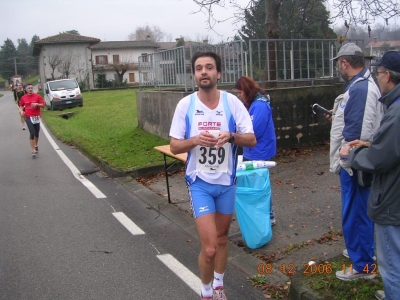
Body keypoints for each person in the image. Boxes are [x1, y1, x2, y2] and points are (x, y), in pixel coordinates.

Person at [169, 51, 256, 300]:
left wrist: (231, 136)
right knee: (209, 248)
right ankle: (206, 291)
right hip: (200, 183)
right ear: (195, 75)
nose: (203, 72)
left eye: (209, 67)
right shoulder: (186, 105)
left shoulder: (232, 103)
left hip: (227, 182)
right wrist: (195, 140)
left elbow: (251, 139)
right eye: (199, 68)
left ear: (219, 73)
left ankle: (219, 283)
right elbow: (175, 146)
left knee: (221, 238)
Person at [339, 50, 400, 300]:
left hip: (390, 196)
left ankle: (366, 266)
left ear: (387, 75)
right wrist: (370, 145)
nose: (378, 77)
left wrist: (351, 155)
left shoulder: (392, 110)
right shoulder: (390, 104)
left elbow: (380, 157)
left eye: (380, 73)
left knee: (391, 261)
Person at [329, 43, 384, 281]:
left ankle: (363, 265)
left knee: (356, 213)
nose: (338, 68)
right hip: (357, 162)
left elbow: (358, 133)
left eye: (338, 64)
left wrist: (346, 160)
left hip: (354, 165)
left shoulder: (360, 88)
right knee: (359, 211)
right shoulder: (361, 85)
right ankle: (361, 252)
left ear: (345, 63)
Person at [234, 76, 277, 225]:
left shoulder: (259, 106)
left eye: (240, 92)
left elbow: (253, 130)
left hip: (260, 150)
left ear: (246, 90)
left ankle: (269, 214)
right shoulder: (255, 104)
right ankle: (265, 214)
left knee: (260, 183)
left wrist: (237, 134)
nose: (239, 96)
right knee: (257, 182)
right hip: (255, 150)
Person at [19, 83, 45, 158]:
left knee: (37, 133)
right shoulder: (24, 97)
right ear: (26, 90)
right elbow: (21, 105)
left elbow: (43, 105)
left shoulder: (37, 96)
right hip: (28, 117)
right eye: (28, 88)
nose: (30, 89)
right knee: (32, 132)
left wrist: (37, 104)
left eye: (31, 88)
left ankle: (36, 145)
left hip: (36, 116)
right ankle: (33, 150)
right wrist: (21, 111)